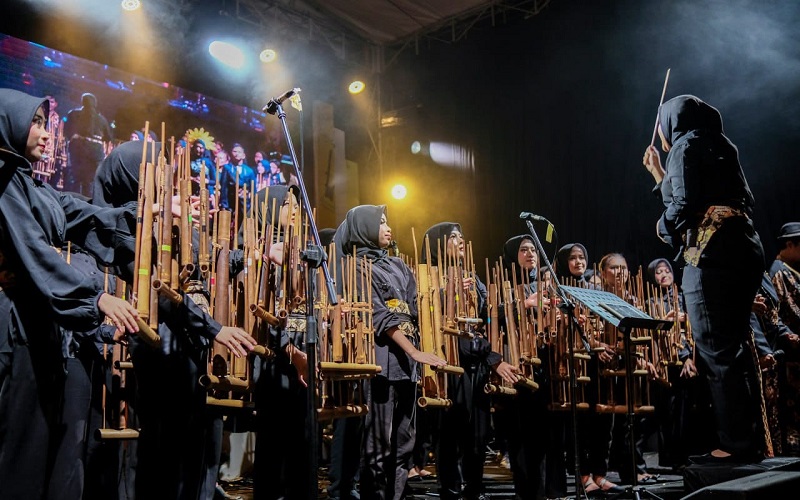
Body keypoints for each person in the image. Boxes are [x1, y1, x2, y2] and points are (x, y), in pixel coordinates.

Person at [0, 88, 140, 500]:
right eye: (36, 122)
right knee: (21, 449)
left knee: (43, 444)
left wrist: (139, 214)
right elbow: (36, 254)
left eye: (47, 123)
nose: (46, 133)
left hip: (39, 327)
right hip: (13, 327)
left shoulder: (32, 185)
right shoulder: (4, 181)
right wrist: (96, 295)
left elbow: (85, 214)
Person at [643, 94, 766, 463]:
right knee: (736, 349)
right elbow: (719, 196)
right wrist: (659, 175)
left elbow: (682, 205)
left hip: (711, 253)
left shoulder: (682, 144)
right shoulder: (723, 144)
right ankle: (751, 440)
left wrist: (662, 227)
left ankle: (733, 446)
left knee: (716, 350)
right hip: (745, 247)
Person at [336, 205, 447, 500]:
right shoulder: (356, 266)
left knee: (404, 442)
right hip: (380, 363)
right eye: (380, 223)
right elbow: (378, 316)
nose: (387, 227)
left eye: (387, 222)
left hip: (407, 366)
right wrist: (415, 352)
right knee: (377, 445)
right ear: (364, 228)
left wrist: (423, 354)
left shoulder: (398, 265)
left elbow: (415, 310)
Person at [423, 223, 517, 500]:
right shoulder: (430, 276)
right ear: (439, 244)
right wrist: (446, 293)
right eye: (452, 237)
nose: (460, 240)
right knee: (449, 431)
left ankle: (474, 488)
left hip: (476, 361)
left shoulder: (472, 277)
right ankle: (450, 489)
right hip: (447, 362)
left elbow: (488, 319)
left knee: (478, 433)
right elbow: (426, 315)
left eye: (461, 235)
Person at [64, 92, 113, 195]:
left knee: (76, 180)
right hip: (96, 152)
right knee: (91, 182)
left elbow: (67, 131)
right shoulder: (102, 119)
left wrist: (74, 137)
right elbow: (108, 137)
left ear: (82, 101)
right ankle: (88, 205)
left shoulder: (73, 114)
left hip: (79, 150)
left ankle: (71, 204)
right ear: (95, 103)